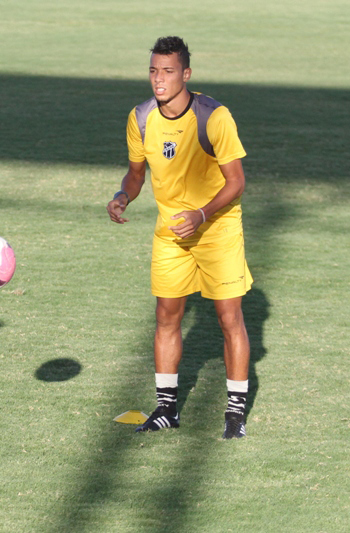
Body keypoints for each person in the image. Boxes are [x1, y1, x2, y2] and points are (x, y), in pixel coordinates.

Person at [106, 36, 252, 439]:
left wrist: (202, 214)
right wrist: (122, 197)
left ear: (186, 74)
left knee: (228, 318)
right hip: (171, 233)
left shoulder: (214, 116)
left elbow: (236, 181)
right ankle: (167, 409)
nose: (159, 79)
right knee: (166, 317)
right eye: (154, 70)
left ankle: (235, 413)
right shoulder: (140, 118)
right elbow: (136, 175)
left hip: (217, 229)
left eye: (168, 71)